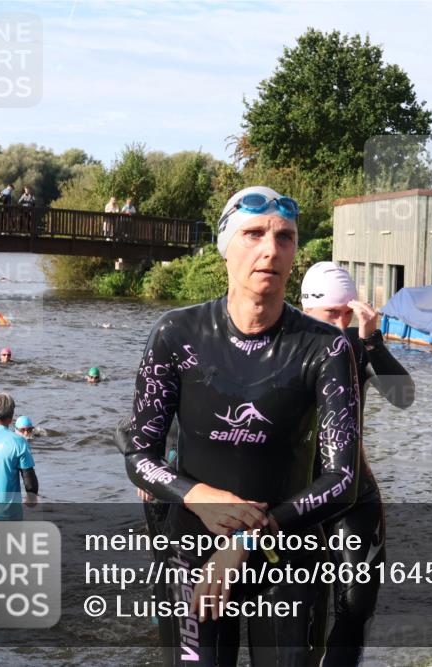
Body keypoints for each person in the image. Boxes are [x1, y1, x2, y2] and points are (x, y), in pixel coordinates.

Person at [122, 185, 361, 667]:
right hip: (192, 552)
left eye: (285, 237)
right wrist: (196, 496)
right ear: (225, 246)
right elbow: (139, 455)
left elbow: (343, 482)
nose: (271, 249)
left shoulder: (326, 348)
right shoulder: (177, 334)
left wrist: (246, 539)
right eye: (253, 234)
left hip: (288, 553)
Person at [301, 262, 414, 667]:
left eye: (347, 314)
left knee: (356, 608)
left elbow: (403, 396)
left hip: (354, 496)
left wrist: (373, 342)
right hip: (296, 499)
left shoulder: (354, 346)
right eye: (332, 314)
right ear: (305, 309)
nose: (341, 322)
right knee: (300, 615)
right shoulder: (279, 349)